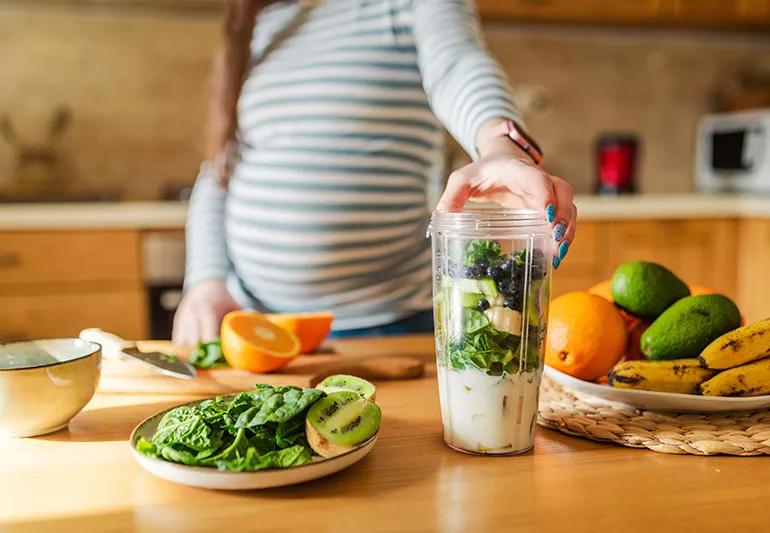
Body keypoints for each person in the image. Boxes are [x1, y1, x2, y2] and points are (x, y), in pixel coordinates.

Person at [172, 0, 576, 345]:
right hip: (260, 327)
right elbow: (220, 169)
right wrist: (205, 279)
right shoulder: (266, 22)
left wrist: (498, 144)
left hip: (387, 327)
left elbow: (456, 63)